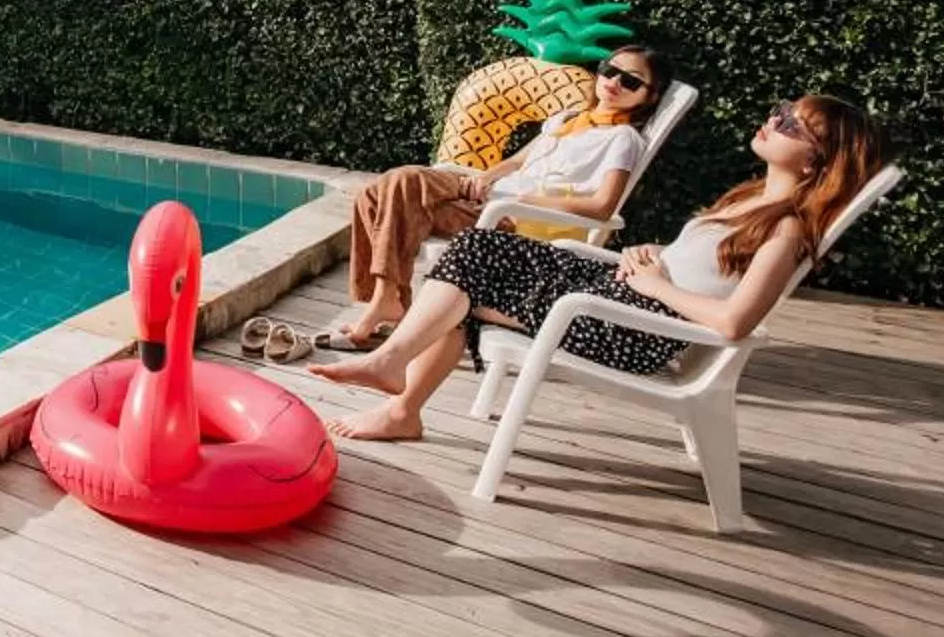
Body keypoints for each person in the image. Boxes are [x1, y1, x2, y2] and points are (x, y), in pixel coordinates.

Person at [310, 91, 887, 442]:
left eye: (792, 124)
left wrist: (656, 283)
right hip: (624, 295)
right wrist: (653, 257)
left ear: (818, 164)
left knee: (472, 265)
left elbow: (736, 324)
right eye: (781, 111)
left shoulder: (786, 230)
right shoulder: (748, 198)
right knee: (474, 261)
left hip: (633, 328)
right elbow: (700, 266)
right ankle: (400, 400)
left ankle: (394, 374)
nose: (775, 119)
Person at [316, 46, 670, 353]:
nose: (614, 82)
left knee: (399, 186)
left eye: (631, 81)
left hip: (515, 220)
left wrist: (530, 199)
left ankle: (383, 303)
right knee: (375, 194)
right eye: (611, 70)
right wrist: (484, 176)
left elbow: (603, 207)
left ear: (649, 96)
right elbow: (519, 161)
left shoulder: (622, 138)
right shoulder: (569, 119)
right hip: (493, 197)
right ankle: (387, 301)